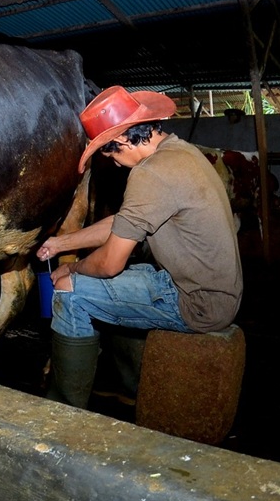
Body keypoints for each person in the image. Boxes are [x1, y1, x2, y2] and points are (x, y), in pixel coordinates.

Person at [36, 86, 243, 408]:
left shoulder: (150, 173)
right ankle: (131, 387)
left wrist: (71, 266)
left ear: (122, 141)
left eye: (112, 154)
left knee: (69, 290)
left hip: (195, 301)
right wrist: (62, 243)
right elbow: (127, 221)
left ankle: (63, 408)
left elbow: (109, 264)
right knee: (116, 283)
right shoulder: (181, 153)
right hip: (207, 287)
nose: (116, 165)